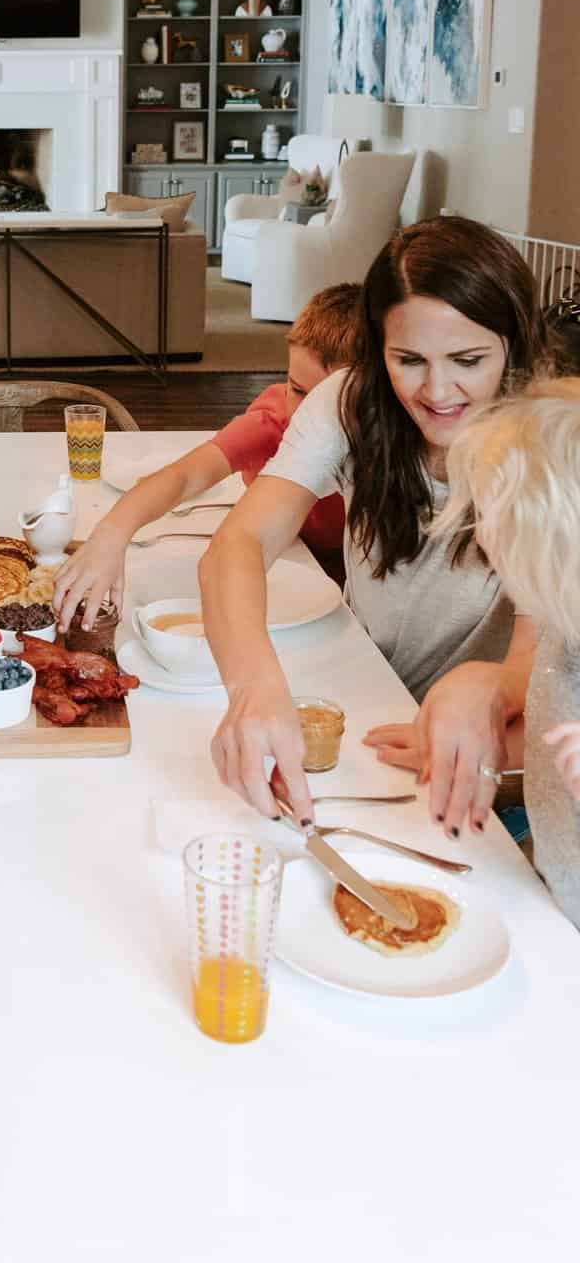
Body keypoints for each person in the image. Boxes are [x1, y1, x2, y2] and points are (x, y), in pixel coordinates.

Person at [199, 217, 548, 836]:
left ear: (513, 347)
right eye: (408, 359)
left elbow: (536, 660)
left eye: (468, 360)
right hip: (364, 702)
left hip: (484, 766)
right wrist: (251, 683)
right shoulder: (351, 400)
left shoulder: (549, 454)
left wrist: (489, 685)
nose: (438, 391)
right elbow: (240, 542)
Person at [53, 282, 360, 629]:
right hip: (277, 579)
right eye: (298, 389)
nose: (306, 412)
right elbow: (184, 476)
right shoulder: (274, 421)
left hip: (339, 604)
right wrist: (111, 532)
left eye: (327, 399)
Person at [432, 379, 580, 927]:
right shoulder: (563, 627)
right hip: (551, 888)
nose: (483, 541)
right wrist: (474, 748)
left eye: (495, 523)